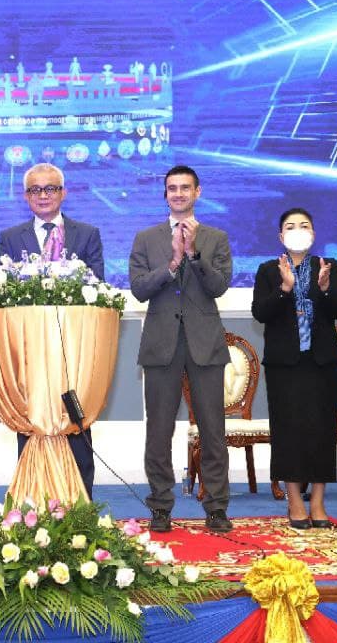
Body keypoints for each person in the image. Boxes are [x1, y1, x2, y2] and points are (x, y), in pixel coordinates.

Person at [129, 165, 233, 533]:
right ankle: (160, 506)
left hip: (205, 343)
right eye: (172, 188)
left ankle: (216, 507)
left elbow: (219, 286)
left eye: (185, 187)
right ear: (165, 194)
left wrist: (193, 255)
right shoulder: (146, 238)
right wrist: (173, 262)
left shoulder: (216, 237)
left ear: (197, 192)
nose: (178, 193)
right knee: (159, 431)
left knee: (212, 430)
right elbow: (139, 289)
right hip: (161, 344)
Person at [0, 162, 103, 496]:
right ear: (26, 196)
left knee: (75, 419)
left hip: (73, 353)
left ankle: (81, 500)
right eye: (35, 190)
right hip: (30, 354)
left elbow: (97, 287)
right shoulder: (10, 238)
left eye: (50, 188)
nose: (43, 195)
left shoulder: (87, 234)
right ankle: (31, 498)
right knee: (32, 419)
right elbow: (2, 293)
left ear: (63, 193)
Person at [251, 208, 337, 528]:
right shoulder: (268, 270)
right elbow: (260, 313)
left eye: (304, 225)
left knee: (322, 431)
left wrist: (324, 288)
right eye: (290, 227)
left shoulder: (328, 266)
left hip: (322, 362)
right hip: (285, 364)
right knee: (288, 431)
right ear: (281, 236)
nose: (298, 230)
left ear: (313, 233)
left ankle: (317, 501)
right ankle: (294, 501)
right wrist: (285, 289)